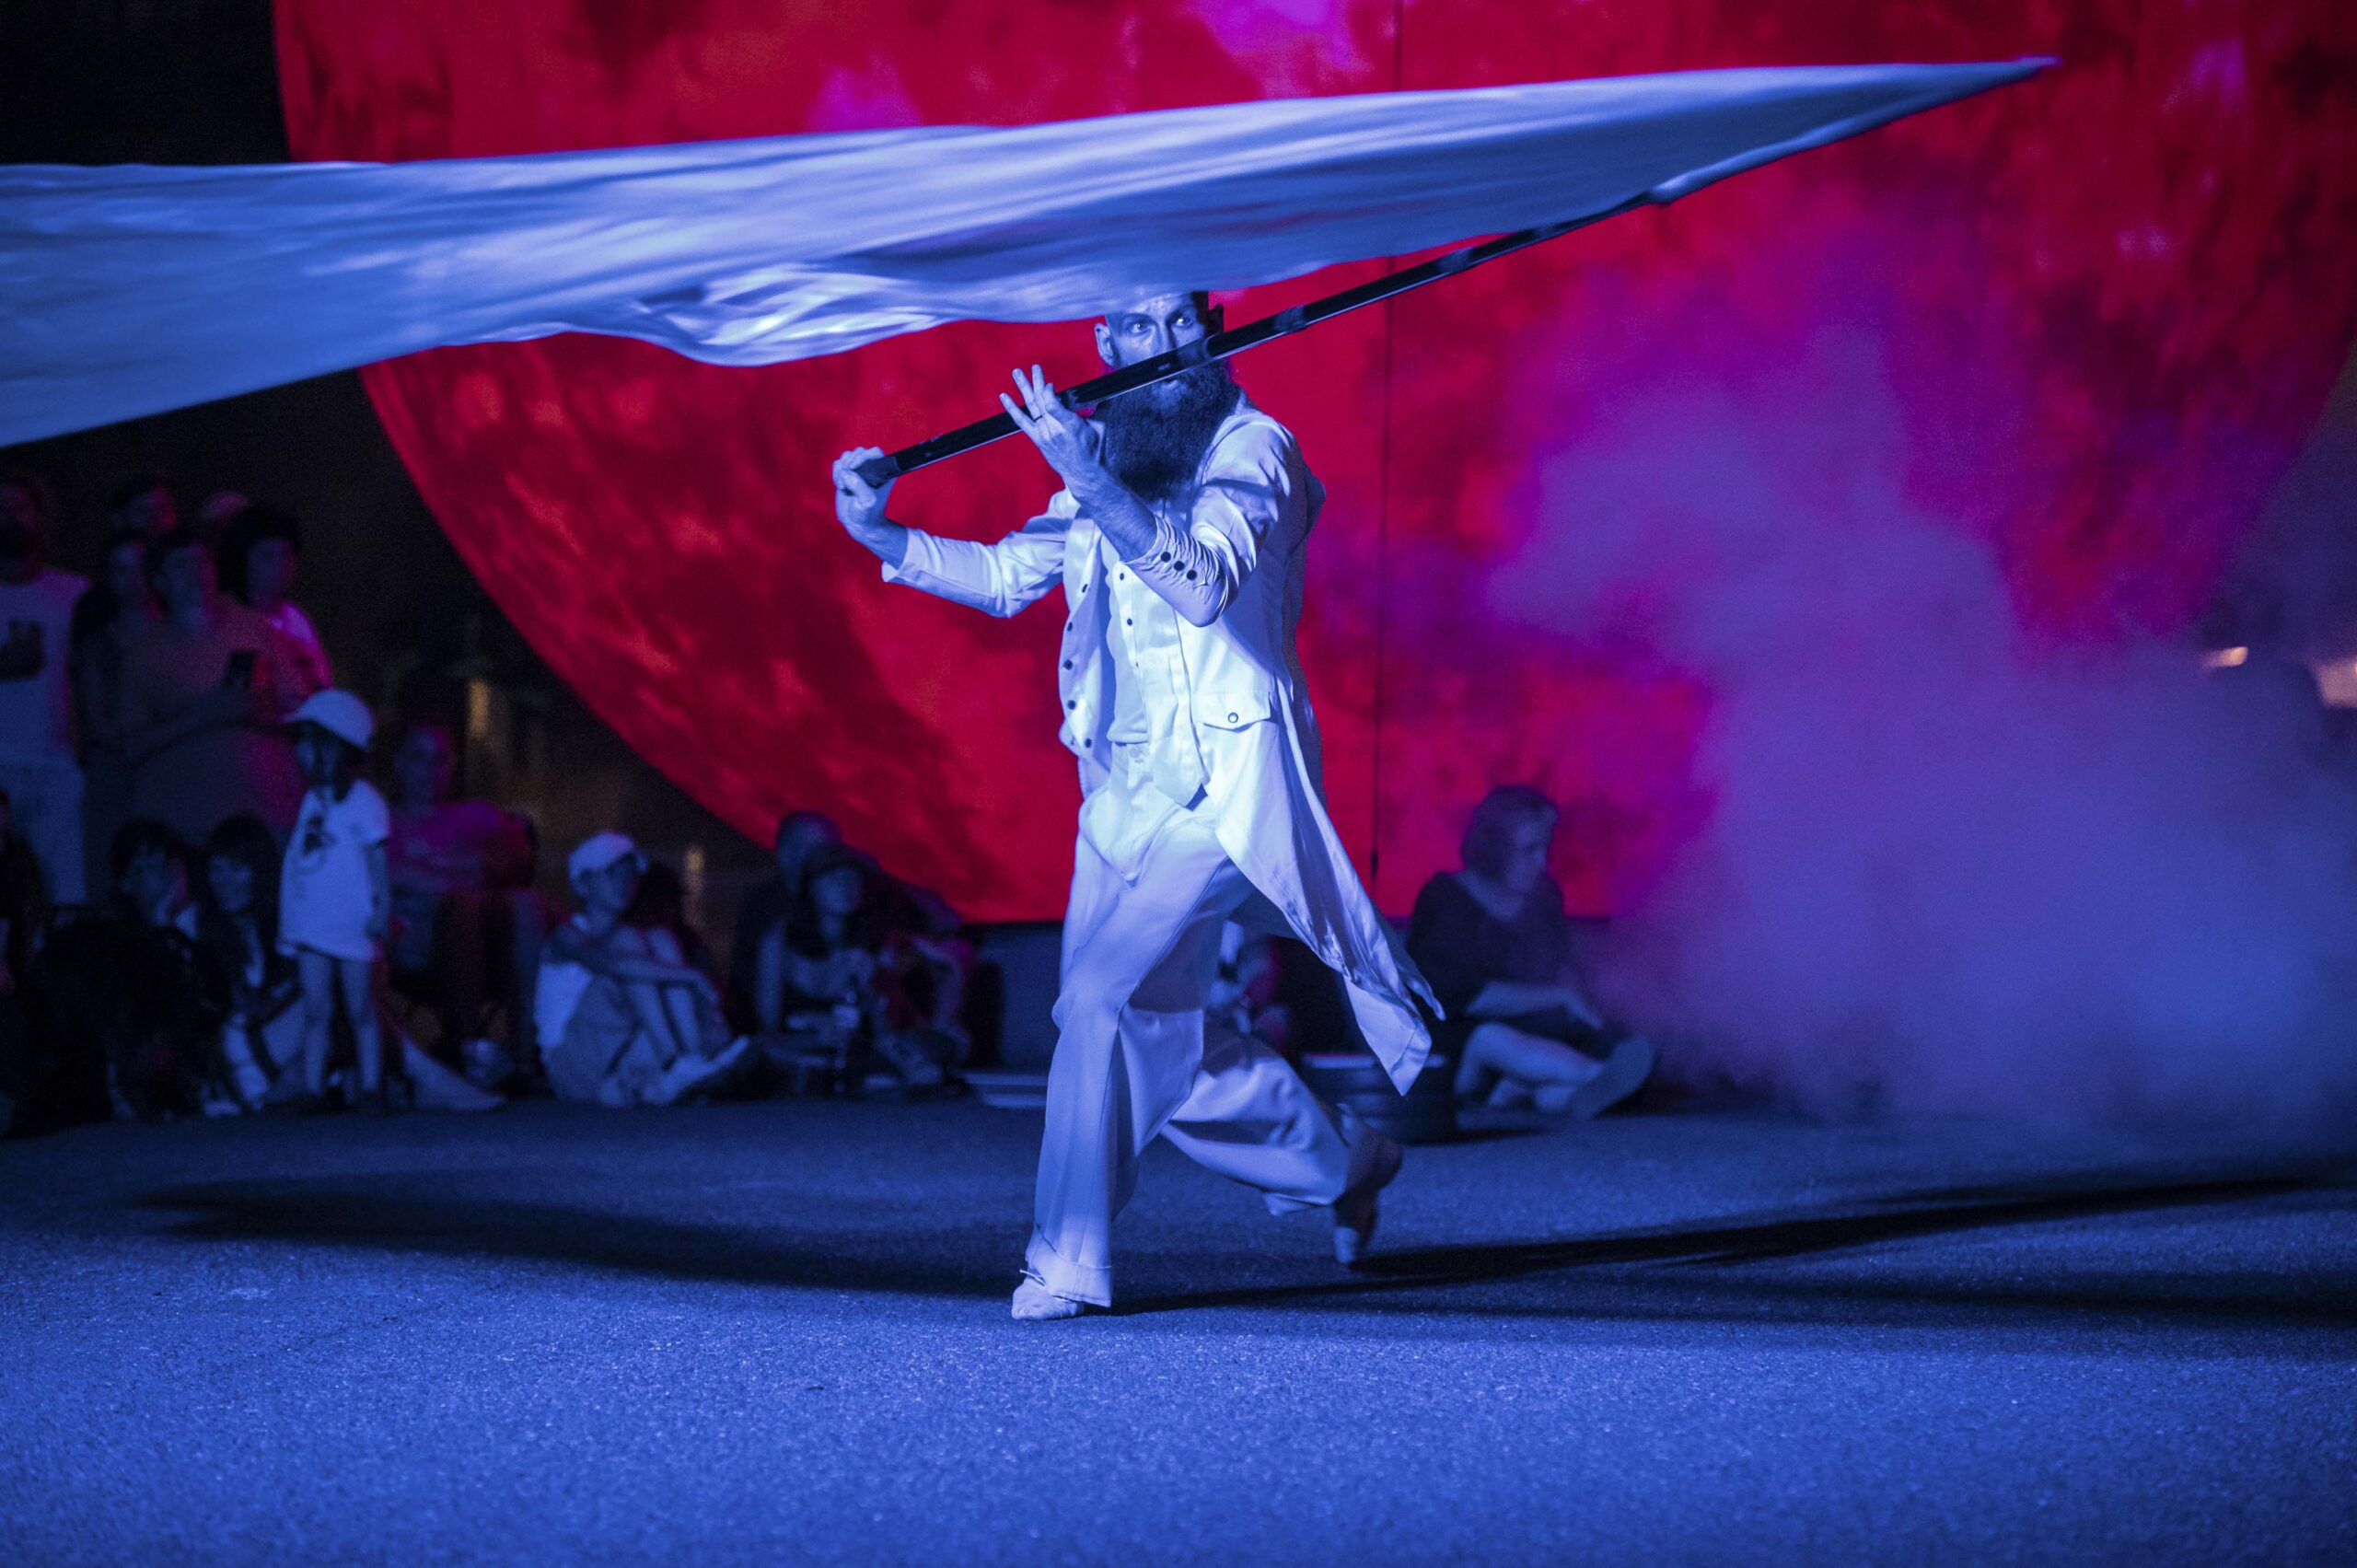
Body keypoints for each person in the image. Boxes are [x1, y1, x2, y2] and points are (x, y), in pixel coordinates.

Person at [830, 290, 1434, 1319]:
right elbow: (1010, 576)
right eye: (1141, 327)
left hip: (1225, 792)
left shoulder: (1257, 451)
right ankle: (1344, 1161)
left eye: (1183, 321)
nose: (1168, 344)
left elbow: (1202, 583)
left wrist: (1089, 478)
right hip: (1117, 800)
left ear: (1212, 329)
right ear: (1106, 344)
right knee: (1158, 1044)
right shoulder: (1106, 451)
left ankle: (1066, 1257)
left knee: (1098, 1000)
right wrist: (881, 533)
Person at [194, 812, 498, 1115]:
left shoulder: (281, 924)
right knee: (342, 976)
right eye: (216, 870)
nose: (224, 882)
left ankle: (406, 1081)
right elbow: (219, 1015)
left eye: (236, 870)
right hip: (238, 1057)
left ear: (260, 872)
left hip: (289, 1053)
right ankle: (428, 1078)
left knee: (348, 978)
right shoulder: (204, 930)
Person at [1406, 785, 1655, 1116]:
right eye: (1529, 850)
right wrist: (1558, 996)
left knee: (1549, 1087)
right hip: (1453, 1051)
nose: (1541, 862)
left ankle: (1550, 1094)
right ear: (1494, 850)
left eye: (1545, 849)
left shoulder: (1543, 899)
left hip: (1528, 1043)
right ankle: (1600, 1076)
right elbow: (1461, 996)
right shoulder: (1445, 899)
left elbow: (1557, 968)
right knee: (1491, 1038)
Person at [535, 832, 749, 1108]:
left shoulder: (634, 935)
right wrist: (691, 975)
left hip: (613, 1053)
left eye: (629, 873)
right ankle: (674, 1062)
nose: (624, 881)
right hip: (571, 1066)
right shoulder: (567, 935)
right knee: (632, 950)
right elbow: (613, 965)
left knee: (660, 939)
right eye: (612, 873)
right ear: (583, 884)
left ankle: (691, 1061)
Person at [119, 529, 304, 841]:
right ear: (160, 582)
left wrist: (259, 713)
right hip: (182, 823)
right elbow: (130, 745)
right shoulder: (143, 653)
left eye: (202, 561)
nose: (196, 572)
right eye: (181, 564)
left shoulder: (254, 627)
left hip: (265, 816)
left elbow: (302, 711)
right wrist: (205, 715)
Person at [383, 720, 544, 1075]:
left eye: (440, 758)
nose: (430, 769)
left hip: (494, 943)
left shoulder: (476, 814)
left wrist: (427, 873)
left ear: (452, 764)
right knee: (460, 906)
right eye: (419, 757)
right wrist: (463, 869)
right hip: (416, 950)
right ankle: (465, 1051)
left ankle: (526, 1057)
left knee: (523, 905)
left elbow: (516, 859)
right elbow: (385, 874)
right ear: (399, 763)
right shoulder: (383, 822)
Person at [750, 842, 967, 1090]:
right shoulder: (779, 941)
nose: (845, 885)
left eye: (852, 877)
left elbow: (885, 1032)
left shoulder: (879, 939)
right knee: (765, 1052)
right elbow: (766, 1027)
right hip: (800, 1049)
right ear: (810, 885)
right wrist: (814, 1025)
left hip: (867, 1051)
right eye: (833, 876)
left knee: (927, 1049)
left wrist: (874, 993)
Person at [279, 690, 392, 1111]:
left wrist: (382, 908)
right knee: (316, 1007)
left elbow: (377, 861)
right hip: (314, 922)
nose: (301, 751)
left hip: (351, 922)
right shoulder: (312, 800)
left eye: (309, 740)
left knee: (361, 1007)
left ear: (335, 746)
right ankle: (313, 1089)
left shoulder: (365, 801)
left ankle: (371, 1086)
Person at [0, 470, 90, 906]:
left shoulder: (75, 592)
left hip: (59, 766)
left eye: (19, 507)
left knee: (63, 891)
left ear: (40, 515)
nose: (9, 518)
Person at [69, 524, 160, 900]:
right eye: (121, 570)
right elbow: (97, 724)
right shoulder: (96, 646)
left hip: (168, 770)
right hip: (113, 774)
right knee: (110, 877)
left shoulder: (180, 639)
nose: (133, 581)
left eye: (140, 567)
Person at [218, 503, 331, 697]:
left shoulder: (295, 618)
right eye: (267, 555)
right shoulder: (225, 618)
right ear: (244, 559)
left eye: (286, 553)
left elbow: (323, 682)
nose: (281, 564)